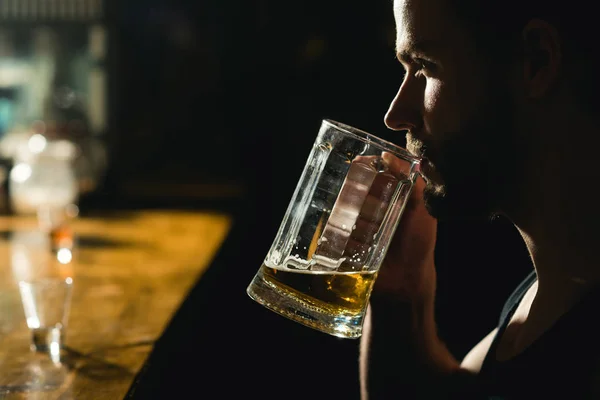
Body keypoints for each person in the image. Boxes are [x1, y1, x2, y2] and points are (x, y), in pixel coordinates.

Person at [360, 0, 600, 399]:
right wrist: (400, 288)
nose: (396, 113)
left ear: (536, 61)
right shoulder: (552, 287)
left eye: (426, 66)